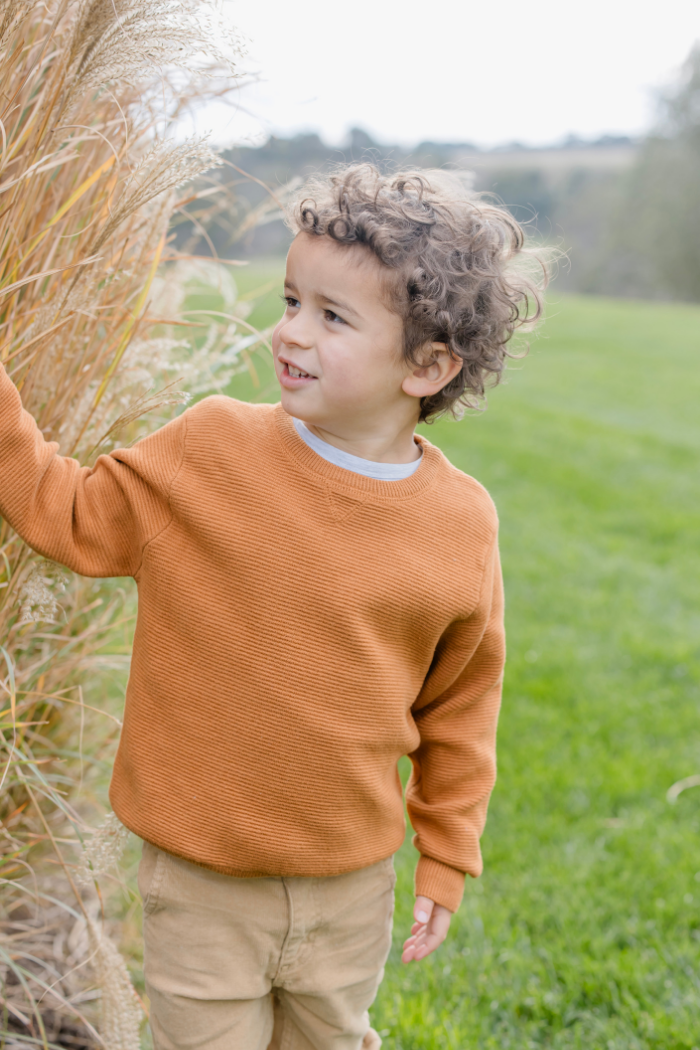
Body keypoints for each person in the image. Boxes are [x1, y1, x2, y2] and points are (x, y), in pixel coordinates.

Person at [0, 164, 545, 1049]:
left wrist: (447, 850)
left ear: (428, 365)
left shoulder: (460, 523)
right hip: (201, 882)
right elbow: (70, 514)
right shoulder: (212, 449)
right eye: (292, 300)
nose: (288, 330)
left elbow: (460, 704)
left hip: (349, 886)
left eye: (332, 316)